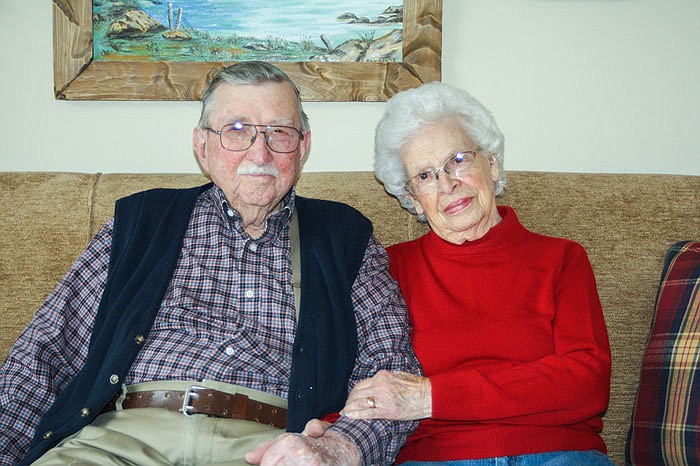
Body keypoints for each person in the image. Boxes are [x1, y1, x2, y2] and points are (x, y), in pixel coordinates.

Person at [0, 62, 420, 466]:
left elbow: (389, 366)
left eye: (280, 132)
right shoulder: (141, 223)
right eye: (237, 130)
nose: (261, 151)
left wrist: (344, 447)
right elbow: (43, 354)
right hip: (120, 437)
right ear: (202, 145)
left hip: (266, 446)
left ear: (303, 145)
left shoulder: (346, 237)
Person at [337, 82, 614, 465]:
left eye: (459, 160)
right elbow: (361, 382)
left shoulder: (561, 258)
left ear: (493, 162)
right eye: (425, 176)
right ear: (412, 198)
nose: (448, 184)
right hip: (437, 459)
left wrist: (430, 396)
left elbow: (586, 384)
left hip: (557, 454)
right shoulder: (389, 269)